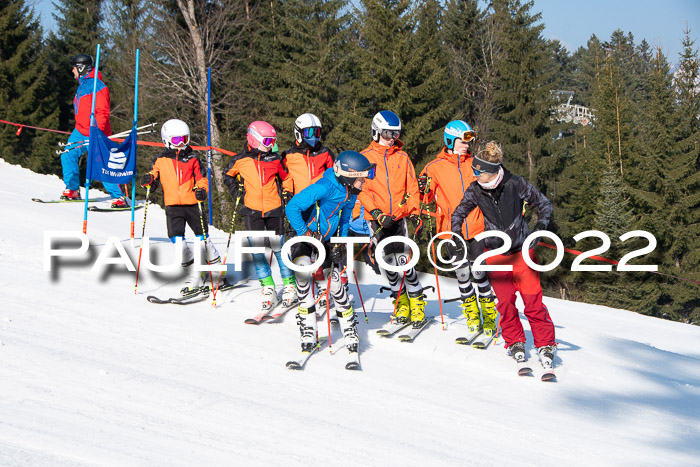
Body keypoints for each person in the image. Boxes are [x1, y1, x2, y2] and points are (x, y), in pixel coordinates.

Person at [451, 141, 556, 364]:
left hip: (522, 255)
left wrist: (539, 230)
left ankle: (545, 343)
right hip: (496, 255)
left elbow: (544, 205)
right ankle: (514, 340)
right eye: (474, 170)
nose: (474, 173)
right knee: (506, 303)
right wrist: (456, 236)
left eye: (478, 170)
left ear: (491, 171)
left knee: (532, 302)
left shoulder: (515, 183)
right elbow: (458, 214)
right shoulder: (475, 189)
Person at [286, 150, 376, 354]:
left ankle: (349, 328)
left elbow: (344, 219)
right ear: (348, 175)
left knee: (335, 283)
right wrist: (305, 232)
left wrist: (340, 243)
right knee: (303, 278)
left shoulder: (350, 192)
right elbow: (292, 207)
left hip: (326, 239)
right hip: (305, 238)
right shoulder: (324, 187)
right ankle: (309, 329)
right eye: (361, 177)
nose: (364, 182)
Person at [419, 120, 496, 336]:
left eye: (470, 140)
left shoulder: (477, 163)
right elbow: (424, 199)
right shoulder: (434, 167)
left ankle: (489, 316)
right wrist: (422, 188)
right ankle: (472, 316)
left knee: (480, 273)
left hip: (478, 227)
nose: (467, 145)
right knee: (462, 274)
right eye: (464, 140)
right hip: (451, 231)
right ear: (451, 140)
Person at [358, 110, 425, 327]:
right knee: (388, 264)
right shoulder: (365, 158)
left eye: (395, 133)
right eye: (387, 133)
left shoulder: (402, 158)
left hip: (398, 219)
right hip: (376, 220)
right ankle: (401, 303)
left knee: (404, 263)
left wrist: (413, 212)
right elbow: (361, 190)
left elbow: (413, 189)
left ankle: (417, 305)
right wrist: (376, 213)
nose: (392, 138)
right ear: (376, 131)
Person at [141, 119, 222, 296]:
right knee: (177, 242)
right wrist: (148, 180)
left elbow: (202, 179)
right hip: (172, 206)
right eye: (178, 141)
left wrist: (202, 190)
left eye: (185, 139)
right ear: (167, 140)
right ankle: (194, 265)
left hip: (193, 203)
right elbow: (153, 175)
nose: (183, 144)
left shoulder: (192, 158)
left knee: (202, 239)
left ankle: (211, 269)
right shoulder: (161, 160)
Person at [223, 121, 297, 311]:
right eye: (267, 140)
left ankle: (289, 285)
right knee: (257, 251)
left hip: (274, 209)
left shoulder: (275, 159)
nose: (271, 144)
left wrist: (287, 192)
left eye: (273, 141)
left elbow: (286, 177)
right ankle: (268, 287)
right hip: (252, 210)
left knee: (279, 248)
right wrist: (236, 192)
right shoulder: (240, 160)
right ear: (253, 139)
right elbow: (228, 175)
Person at [281, 113, 335, 315]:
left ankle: (323, 288)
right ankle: (301, 287)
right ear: (298, 132)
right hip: (300, 207)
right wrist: (286, 192)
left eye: (317, 132)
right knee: (299, 248)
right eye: (309, 132)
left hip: (319, 207)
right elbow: (284, 176)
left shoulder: (325, 153)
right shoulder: (288, 155)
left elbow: (333, 175)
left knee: (321, 247)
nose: (314, 136)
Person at [61, 54, 126, 207]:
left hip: (96, 131)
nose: (72, 71)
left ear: (82, 68)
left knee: (101, 163)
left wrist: (97, 132)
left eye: (74, 67)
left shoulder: (99, 86)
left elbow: (102, 112)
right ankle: (72, 189)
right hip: (80, 130)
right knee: (67, 154)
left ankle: (118, 197)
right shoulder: (82, 84)